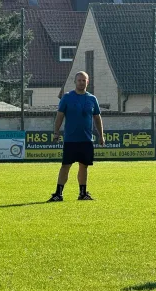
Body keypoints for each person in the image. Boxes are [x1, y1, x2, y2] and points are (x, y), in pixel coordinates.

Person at [48, 71, 105, 202]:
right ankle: (58, 193)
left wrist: (101, 135)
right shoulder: (67, 97)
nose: (81, 82)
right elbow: (59, 116)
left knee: (84, 166)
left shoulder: (92, 99)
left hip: (86, 140)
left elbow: (97, 118)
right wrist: (56, 132)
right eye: (79, 80)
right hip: (70, 140)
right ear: (75, 82)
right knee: (65, 165)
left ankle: (83, 193)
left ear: (87, 82)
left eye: (84, 80)